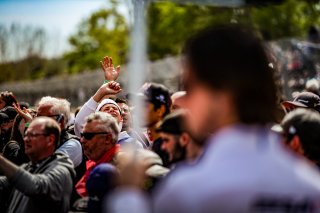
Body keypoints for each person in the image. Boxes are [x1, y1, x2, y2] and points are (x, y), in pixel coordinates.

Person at [108, 25, 320, 213]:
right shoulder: (312, 188)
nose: (186, 100)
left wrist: (127, 196)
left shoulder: (186, 191)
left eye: (189, 86)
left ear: (221, 95)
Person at [0, 117, 75, 213]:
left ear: (50, 140)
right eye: (26, 135)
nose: (26, 139)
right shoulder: (29, 167)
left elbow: (36, 186)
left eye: (33, 135)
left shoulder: (61, 170)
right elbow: (4, 183)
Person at [75, 112, 120, 198]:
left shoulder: (122, 168)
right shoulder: (95, 162)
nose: (82, 140)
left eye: (88, 136)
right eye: (82, 135)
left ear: (108, 138)